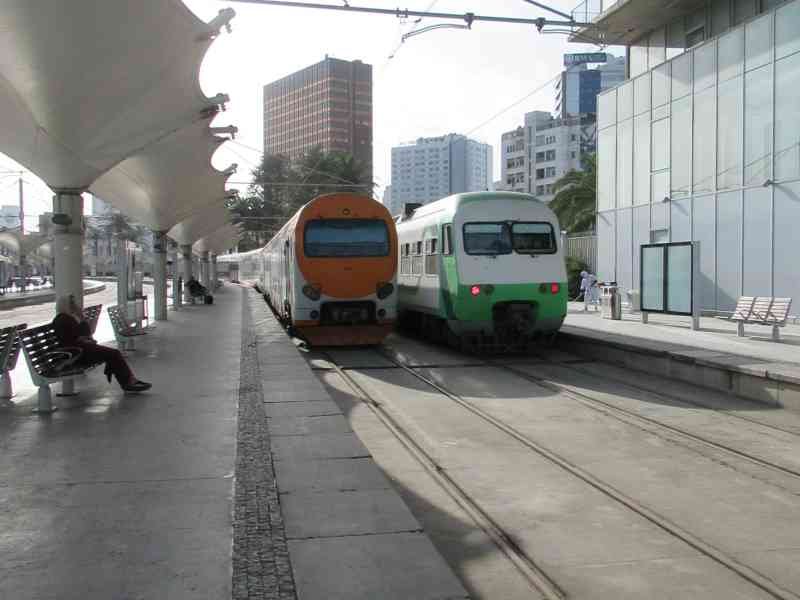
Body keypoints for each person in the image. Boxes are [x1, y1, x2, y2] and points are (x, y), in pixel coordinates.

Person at [53, 295, 151, 392]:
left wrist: (81, 318)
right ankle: (128, 382)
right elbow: (70, 341)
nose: (75, 306)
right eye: (72, 304)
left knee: (112, 354)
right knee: (113, 354)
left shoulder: (67, 318)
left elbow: (83, 334)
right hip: (77, 355)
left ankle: (128, 380)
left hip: (81, 350)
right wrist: (83, 338)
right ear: (65, 305)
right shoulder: (63, 320)